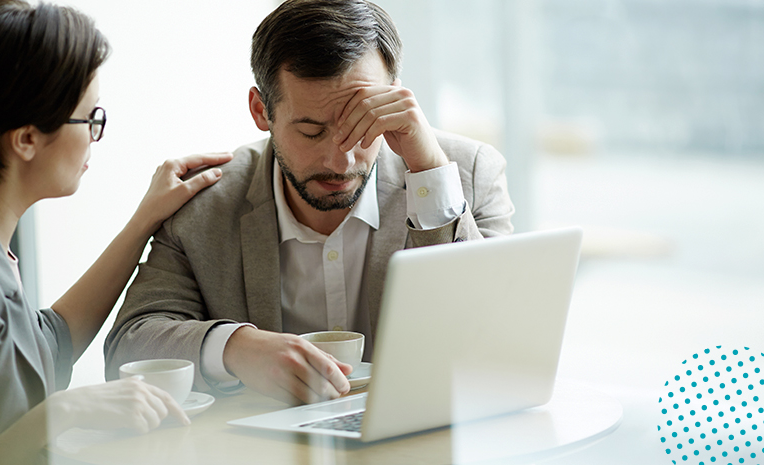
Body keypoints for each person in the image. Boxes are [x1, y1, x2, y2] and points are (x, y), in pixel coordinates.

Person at [104, 0, 514, 406]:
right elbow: (130, 345)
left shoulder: (465, 174)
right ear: (261, 110)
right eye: (312, 131)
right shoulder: (205, 201)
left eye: (360, 126)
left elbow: (498, 342)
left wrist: (429, 176)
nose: (341, 160)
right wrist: (235, 347)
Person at [0, 1, 233, 464]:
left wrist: (145, 220)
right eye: (89, 118)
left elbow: (44, 347)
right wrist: (61, 412)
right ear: (25, 139)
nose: (95, 135)